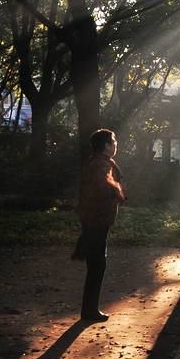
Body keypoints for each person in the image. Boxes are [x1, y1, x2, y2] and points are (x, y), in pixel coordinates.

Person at [71, 129, 126, 322]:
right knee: (97, 265)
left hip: (93, 218)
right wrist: (117, 193)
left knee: (96, 263)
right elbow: (103, 186)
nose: (116, 144)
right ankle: (89, 311)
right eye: (113, 141)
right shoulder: (101, 164)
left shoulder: (95, 162)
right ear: (105, 146)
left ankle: (90, 309)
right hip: (96, 219)